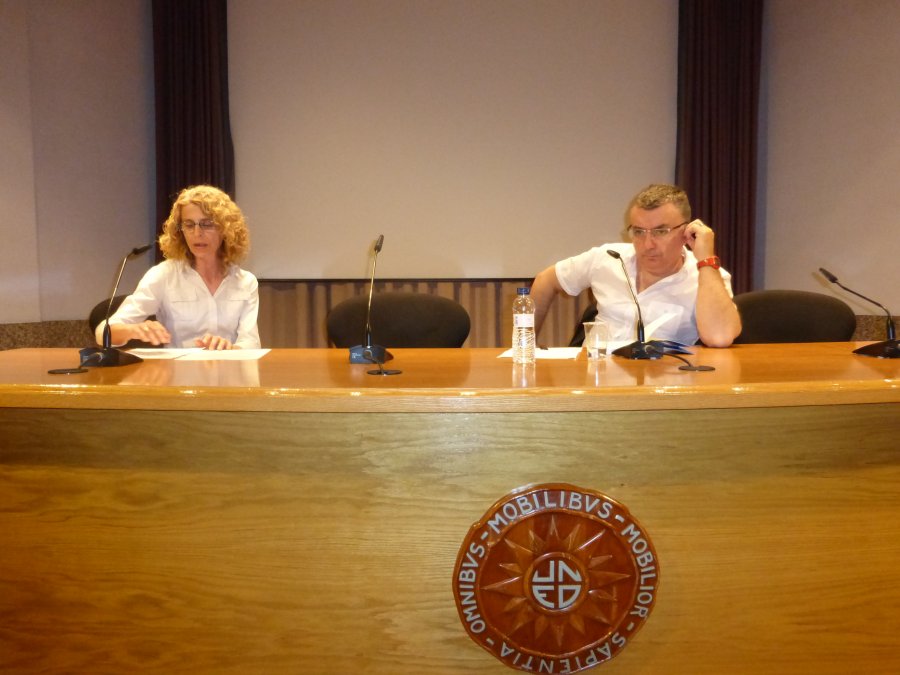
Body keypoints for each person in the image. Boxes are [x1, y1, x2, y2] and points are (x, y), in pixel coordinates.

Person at [530, 184, 741, 348]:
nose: (648, 245)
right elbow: (546, 280)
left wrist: (706, 259)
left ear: (687, 232)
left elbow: (719, 337)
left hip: (661, 386)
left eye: (660, 231)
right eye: (639, 232)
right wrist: (524, 345)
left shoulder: (707, 277)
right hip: (595, 380)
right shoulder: (608, 258)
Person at [96, 185, 261, 350]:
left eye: (206, 224)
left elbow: (251, 344)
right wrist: (133, 330)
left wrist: (230, 349)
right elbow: (102, 333)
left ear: (226, 229)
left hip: (229, 365)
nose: (197, 233)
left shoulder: (245, 282)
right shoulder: (163, 275)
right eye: (189, 225)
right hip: (178, 366)